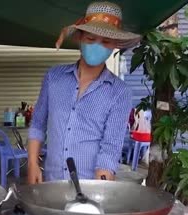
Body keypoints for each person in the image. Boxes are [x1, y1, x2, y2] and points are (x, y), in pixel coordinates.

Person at [27, 2, 142, 184]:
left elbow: (110, 147)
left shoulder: (119, 92)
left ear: (115, 46)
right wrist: (32, 163)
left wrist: (101, 188)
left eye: (105, 41)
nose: (97, 45)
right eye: (90, 39)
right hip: (51, 182)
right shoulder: (54, 77)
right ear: (80, 38)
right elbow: (38, 123)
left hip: (91, 185)